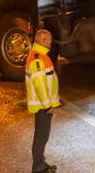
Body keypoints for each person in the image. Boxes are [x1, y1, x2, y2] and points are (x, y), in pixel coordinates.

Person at [25, 28, 60, 173]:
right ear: (44, 40)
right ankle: (38, 167)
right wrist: (47, 106)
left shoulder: (41, 56)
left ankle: (40, 163)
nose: (51, 42)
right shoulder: (38, 59)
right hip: (42, 106)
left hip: (43, 105)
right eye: (49, 39)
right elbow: (40, 84)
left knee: (42, 135)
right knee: (41, 136)